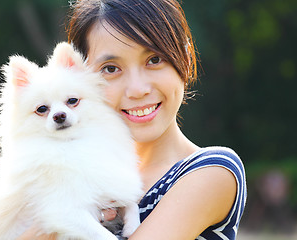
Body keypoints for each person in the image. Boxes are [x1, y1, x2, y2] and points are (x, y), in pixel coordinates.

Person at [18, 0, 247, 239]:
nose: (137, 89)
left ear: (186, 58)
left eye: (154, 60)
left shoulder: (212, 170)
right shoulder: (66, 175)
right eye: (110, 68)